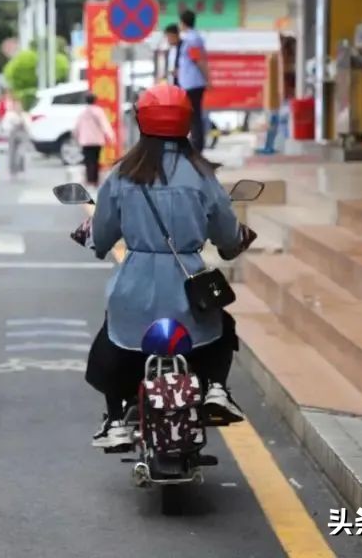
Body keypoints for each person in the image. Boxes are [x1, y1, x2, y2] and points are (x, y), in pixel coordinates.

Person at [84, 83, 253, 450]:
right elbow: (227, 235)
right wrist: (235, 240)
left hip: (134, 290)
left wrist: (94, 239)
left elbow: (101, 235)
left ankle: (115, 419)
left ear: (141, 122)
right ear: (186, 124)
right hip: (189, 288)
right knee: (222, 328)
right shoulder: (202, 175)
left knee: (112, 340)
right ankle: (216, 389)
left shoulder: (122, 175)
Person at [176, 10, 211, 152]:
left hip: (193, 82)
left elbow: (198, 60)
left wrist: (207, 78)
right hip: (189, 82)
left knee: (194, 116)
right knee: (192, 115)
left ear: (183, 23)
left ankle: (197, 146)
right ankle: (195, 144)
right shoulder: (190, 38)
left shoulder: (192, 39)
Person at [74, 93, 114, 187]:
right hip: (97, 140)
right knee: (95, 160)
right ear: (95, 100)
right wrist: (110, 136)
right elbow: (105, 125)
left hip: (85, 141)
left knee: (88, 160)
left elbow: (77, 127)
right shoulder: (99, 111)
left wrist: (76, 137)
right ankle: (95, 180)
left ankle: (89, 180)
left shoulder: (82, 112)